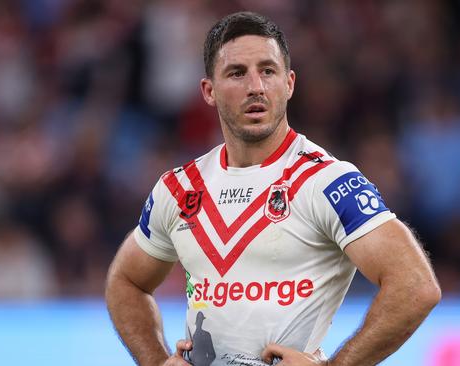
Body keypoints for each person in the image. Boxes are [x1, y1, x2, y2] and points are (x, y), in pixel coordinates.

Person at [105, 11, 441, 366]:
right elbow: (125, 282)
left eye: (268, 71)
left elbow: (415, 286)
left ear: (290, 83)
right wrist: (156, 361)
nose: (256, 87)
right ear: (209, 91)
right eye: (237, 73)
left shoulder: (327, 181)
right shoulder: (178, 189)